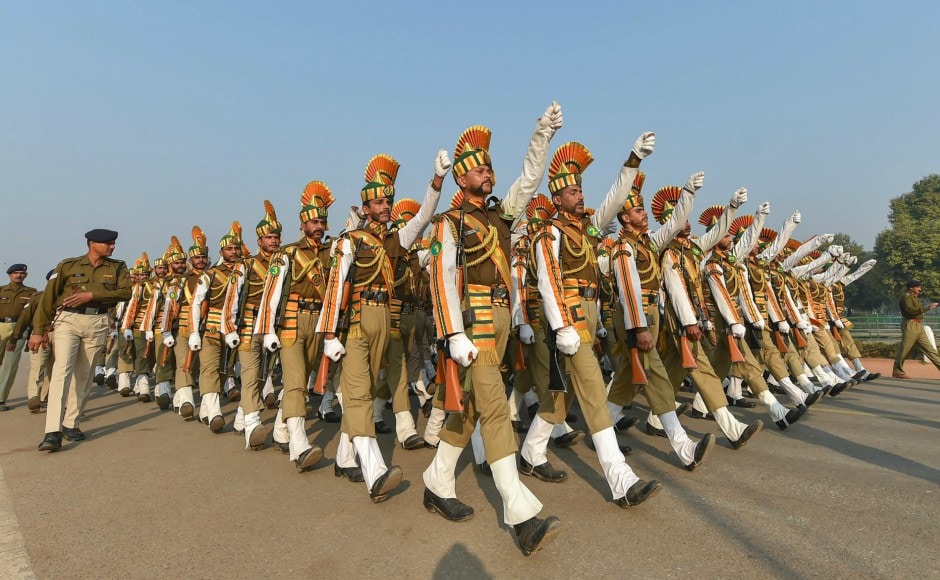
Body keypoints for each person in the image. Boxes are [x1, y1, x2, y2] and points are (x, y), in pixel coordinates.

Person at [422, 103, 563, 557]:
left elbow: (531, 178)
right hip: (474, 323)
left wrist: (542, 134)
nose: (488, 171)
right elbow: (442, 280)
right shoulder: (450, 223)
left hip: (501, 321)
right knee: (498, 410)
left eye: (489, 165)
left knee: (472, 413)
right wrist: (453, 333)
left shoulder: (501, 217)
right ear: (462, 178)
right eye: (479, 167)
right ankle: (520, 514)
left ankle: (437, 481)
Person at [522, 135, 664, 506]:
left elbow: (615, 199)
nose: (579, 195)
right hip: (566, 319)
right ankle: (620, 478)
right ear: (556, 198)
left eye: (580, 189)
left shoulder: (586, 228)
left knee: (560, 395)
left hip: (586, 316)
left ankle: (531, 453)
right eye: (570, 191)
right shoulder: (548, 231)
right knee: (595, 394)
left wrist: (632, 160)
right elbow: (548, 280)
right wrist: (563, 326)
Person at [316, 150, 445, 500]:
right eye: (380, 201)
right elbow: (334, 288)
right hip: (358, 324)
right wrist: (329, 334)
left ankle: (344, 458)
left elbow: (421, 219)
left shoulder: (393, 242)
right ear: (365, 206)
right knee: (357, 394)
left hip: (384, 323)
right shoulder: (350, 241)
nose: (386, 205)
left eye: (389, 199)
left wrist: (436, 183)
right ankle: (375, 471)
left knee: (367, 391)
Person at [29, 229, 132, 451]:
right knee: (61, 371)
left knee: (84, 376)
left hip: (98, 322)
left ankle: (71, 423)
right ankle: (52, 432)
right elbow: (48, 298)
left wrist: (92, 295)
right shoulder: (68, 265)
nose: (112, 247)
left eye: (113, 243)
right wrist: (39, 330)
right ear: (92, 243)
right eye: (107, 243)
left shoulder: (118, 267)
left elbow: (126, 293)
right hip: (68, 320)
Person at [0, 264, 36, 409]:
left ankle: (1, 398)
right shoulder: (1, 290)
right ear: (9, 275)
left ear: (25, 276)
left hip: (20, 330)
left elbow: (33, 314)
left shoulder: (31, 293)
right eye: (16, 273)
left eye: (22, 273)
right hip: (1, 326)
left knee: (11, 364)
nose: (19, 275)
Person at [892, 279, 940, 377]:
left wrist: (932, 306)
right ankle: (897, 370)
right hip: (911, 325)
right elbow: (910, 311)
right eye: (918, 287)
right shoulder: (906, 297)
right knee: (904, 350)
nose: (920, 289)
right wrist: (927, 308)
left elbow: (917, 310)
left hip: (918, 325)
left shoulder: (914, 297)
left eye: (919, 287)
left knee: (930, 350)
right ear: (911, 288)